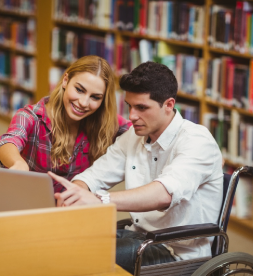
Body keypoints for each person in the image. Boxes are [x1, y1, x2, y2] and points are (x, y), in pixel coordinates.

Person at [48, 61, 223, 275]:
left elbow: (163, 194)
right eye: (130, 106)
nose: (131, 116)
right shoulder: (134, 136)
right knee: (60, 244)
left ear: (168, 105)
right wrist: (76, 191)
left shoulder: (197, 140)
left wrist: (101, 199)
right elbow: (94, 176)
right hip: (138, 237)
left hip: (177, 251)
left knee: (79, 256)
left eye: (142, 108)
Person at [0, 55, 131, 193]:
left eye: (95, 97)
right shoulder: (31, 117)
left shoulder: (104, 121)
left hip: (71, 210)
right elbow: (9, 141)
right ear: (65, 81)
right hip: (30, 206)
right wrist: (18, 162)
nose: (84, 103)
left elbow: (139, 130)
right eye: (79, 90)